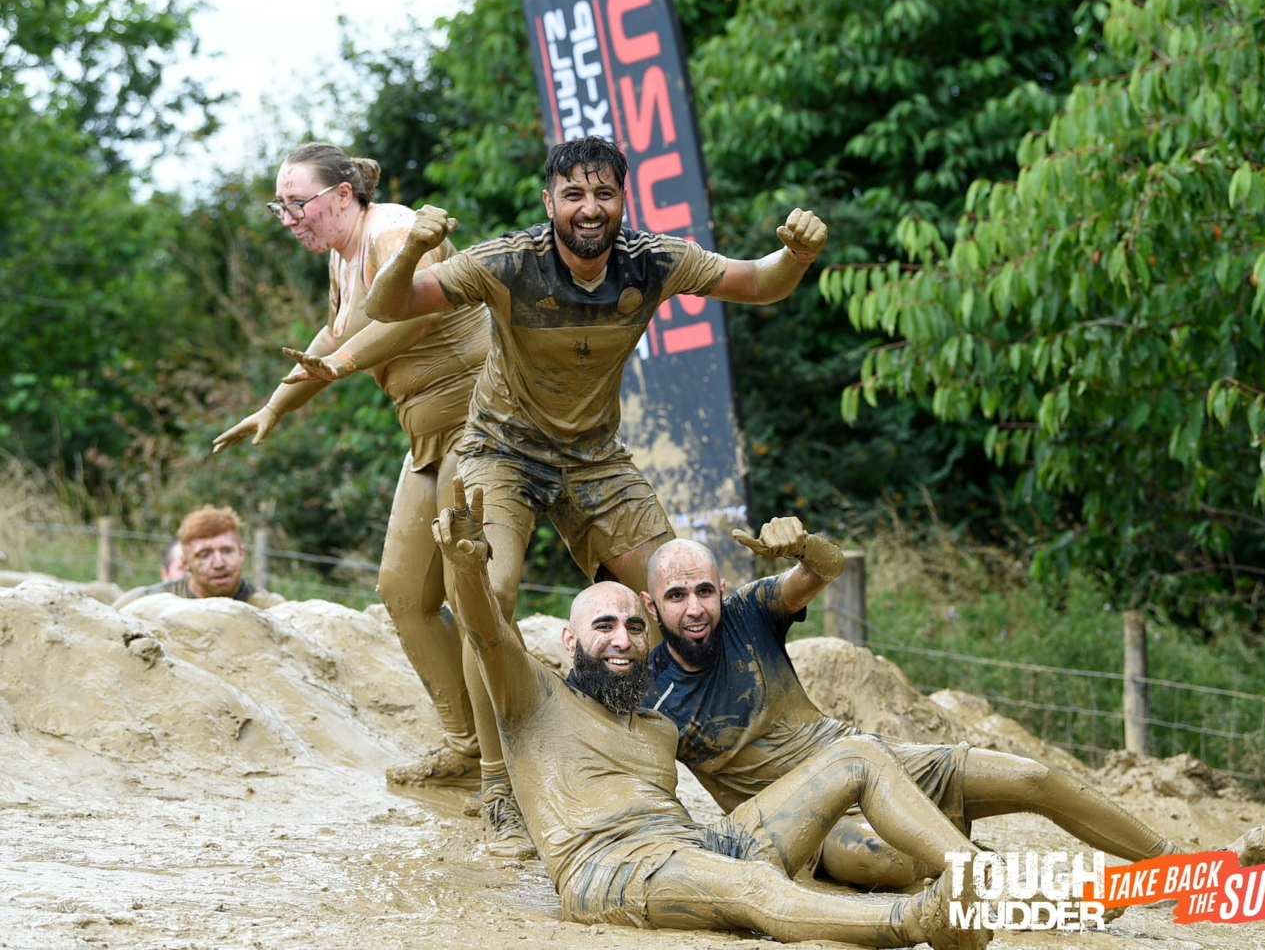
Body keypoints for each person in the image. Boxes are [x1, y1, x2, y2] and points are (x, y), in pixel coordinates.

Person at [431, 481, 985, 950]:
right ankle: (924, 922)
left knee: (857, 757)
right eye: (603, 627)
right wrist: (470, 574)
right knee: (754, 889)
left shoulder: (657, 727)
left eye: (633, 627)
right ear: (570, 640)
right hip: (611, 869)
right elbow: (487, 635)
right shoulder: (535, 698)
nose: (621, 640)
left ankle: (967, 871)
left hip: (701, 845)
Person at [642, 519, 1265, 888]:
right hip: (810, 820)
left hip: (874, 760)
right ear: (652, 606)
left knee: (1035, 777)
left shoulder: (749, 612)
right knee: (892, 862)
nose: (694, 607)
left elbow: (829, 567)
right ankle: (998, 877)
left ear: (722, 589)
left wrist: (805, 543)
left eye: (704, 590)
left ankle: (1193, 868)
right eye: (676, 596)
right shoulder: (648, 696)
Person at [208, 143, 531, 857]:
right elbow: (335, 334)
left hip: (482, 427)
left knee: (470, 595)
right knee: (402, 591)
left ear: (345, 193)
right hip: (427, 440)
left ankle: (505, 780)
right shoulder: (341, 257)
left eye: (299, 202)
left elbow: (408, 317)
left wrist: (342, 361)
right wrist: (274, 406)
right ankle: (463, 743)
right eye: (280, 205)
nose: (288, 217)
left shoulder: (398, 229)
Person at [364, 135, 829, 626]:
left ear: (624, 198)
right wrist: (414, 247)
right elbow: (387, 305)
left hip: (595, 458)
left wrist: (795, 256)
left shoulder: (654, 260)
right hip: (502, 451)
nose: (590, 209)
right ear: (550, 203)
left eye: (604, 194)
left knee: (678, 595)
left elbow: (758, 282)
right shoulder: (508, 262)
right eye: (573, 196)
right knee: (488, 600)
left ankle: (652, 699)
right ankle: (512, 706)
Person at [114, 506, 284, 609]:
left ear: (241, 554)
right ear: (186, 563)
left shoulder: (269, 609)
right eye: (205, 555)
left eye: (226, 551)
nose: (218, 563)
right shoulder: (144, 603)